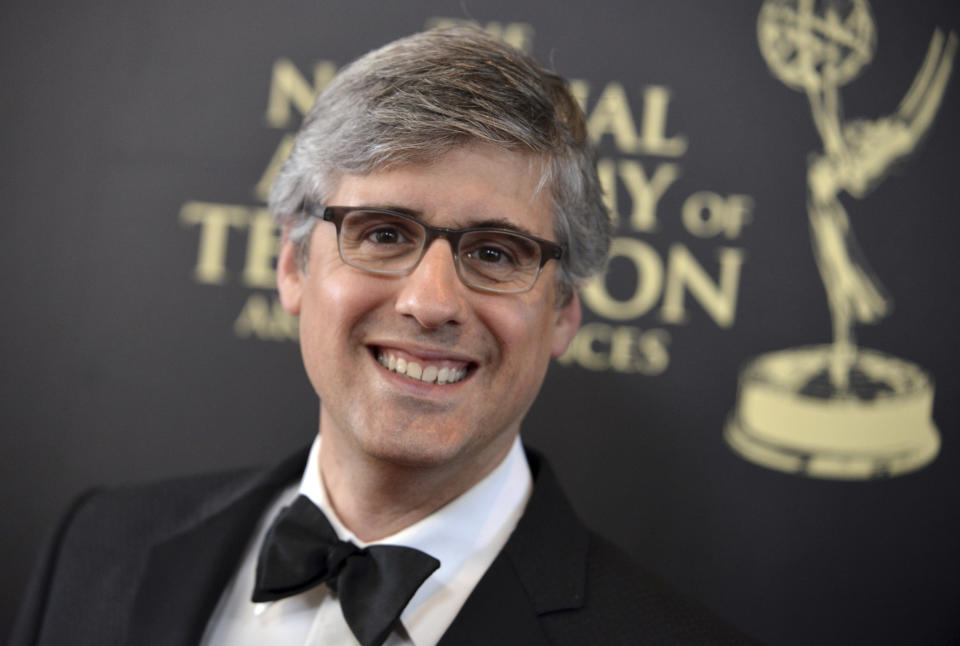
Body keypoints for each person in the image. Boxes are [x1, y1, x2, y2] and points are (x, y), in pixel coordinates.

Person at [10, 27, 755, 646]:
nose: (432, 303)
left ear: (563, 313)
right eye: (385, 233)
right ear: (294, 264)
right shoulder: (97, 548)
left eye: (495, 253)